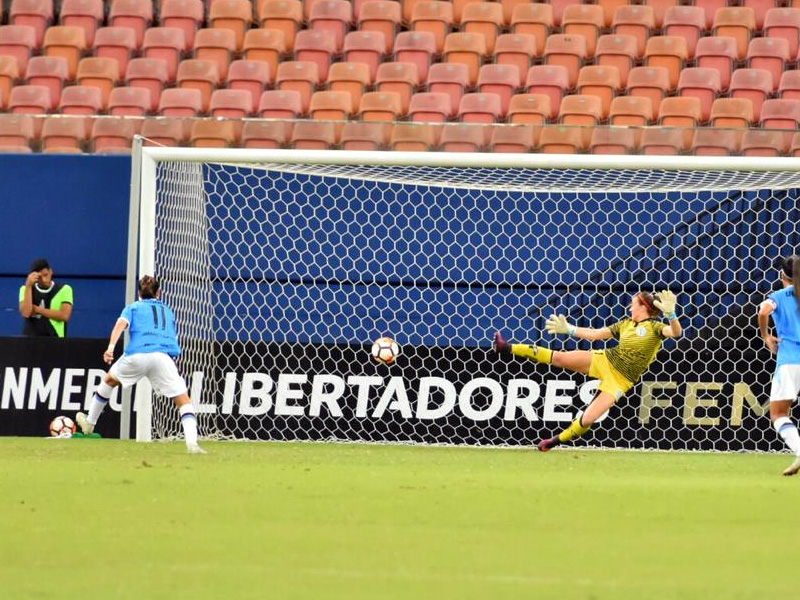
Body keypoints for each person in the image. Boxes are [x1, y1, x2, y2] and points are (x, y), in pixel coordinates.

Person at [493, 290, 682, 451]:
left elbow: (676, 333)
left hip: (621, 380)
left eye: (633, 304)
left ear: (643, 307)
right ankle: (507, 347)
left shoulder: (656, 327)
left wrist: (671, 315)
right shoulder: (624, 324)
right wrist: (569, 329)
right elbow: (595, 334)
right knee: (559, 357)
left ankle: (554, 441)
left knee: (588, 419)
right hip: (605, 360)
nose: (630, 308)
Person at [76, 275, 205, 454]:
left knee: (109, 381)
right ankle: (192, 444)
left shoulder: (133, 307)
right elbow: (172, 339)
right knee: (183, 401)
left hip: (137, 354)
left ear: (139, 293)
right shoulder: (168, 311)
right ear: (159, 293)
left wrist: (111, 348)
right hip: (162, 357)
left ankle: (90, 424)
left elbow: (120, 325)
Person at [758, 255, 800, 476]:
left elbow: (763, 311)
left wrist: (766, 335)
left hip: (791, 361)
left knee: (779, 413)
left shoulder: (778, 296)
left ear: (782, 274)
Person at [19, 258, 73, 337]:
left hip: (55, 338)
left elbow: (64, 315)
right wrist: (28, 285)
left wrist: (38, 309)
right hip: (30, 339)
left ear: (51, 271)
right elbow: (26, 313)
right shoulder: (25, 289)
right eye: (39, 277)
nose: (44, 280)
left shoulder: (64, 289)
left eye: (46, 275)